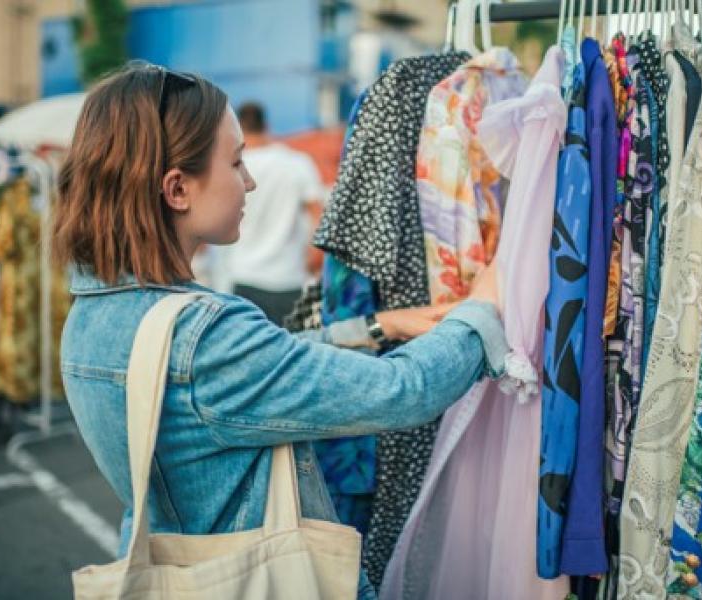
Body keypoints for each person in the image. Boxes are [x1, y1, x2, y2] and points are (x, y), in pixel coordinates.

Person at [53, 63, 504, 600]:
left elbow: (236, 382)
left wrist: (374, 327)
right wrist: (482, 308)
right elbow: (404, 393)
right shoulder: (207, 335)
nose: (249, 179)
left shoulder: (93, 312)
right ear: (177, 189)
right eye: (236, 161)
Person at [211, 102, 324, 325]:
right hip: (289, 279)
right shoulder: (297, 163)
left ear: (239, 128)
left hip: (242, 278)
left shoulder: (230, 168)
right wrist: (314, 257)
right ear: (267, 125)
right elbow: (319, 216)